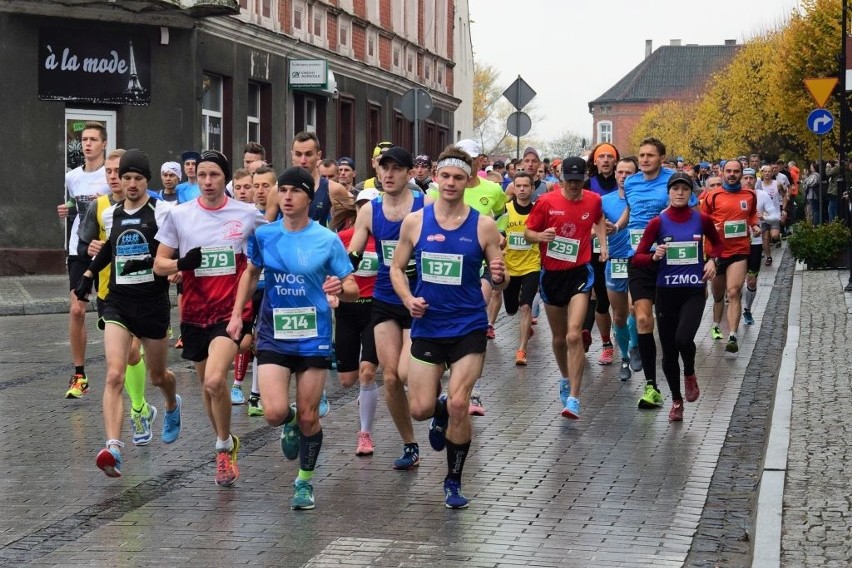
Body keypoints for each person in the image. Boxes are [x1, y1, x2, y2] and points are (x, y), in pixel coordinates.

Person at [228, 166, 358, 510]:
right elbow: (251, 273)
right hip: (273, 332)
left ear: (308, 197)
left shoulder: (326, 239)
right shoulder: (266, 235)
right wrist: (237, 314)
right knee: (272, 411)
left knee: (309, 416)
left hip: (313, 336)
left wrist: (339, 289)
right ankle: (288, 425)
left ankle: (304, 482)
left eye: (294, 191)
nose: (286, 197)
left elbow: (352, 287)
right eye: (281, 191)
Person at [390, 145, 507, 509]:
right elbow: (396, 268)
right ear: (435, 178)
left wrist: (499, 278)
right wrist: (409, 300)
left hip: (469, 325)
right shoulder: (416, 221)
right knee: (420, 409)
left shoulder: (484, 225)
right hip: (428, 325)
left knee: (460, 402)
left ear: (469, 180)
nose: (451, 183)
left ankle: (453, 481)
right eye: (445, 176)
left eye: (459, 177)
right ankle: (438, 411)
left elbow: (498, 276)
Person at [154, 150, 266, 487]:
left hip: (231, 312)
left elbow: (275, 240)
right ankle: (227, 439)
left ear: (225, 179)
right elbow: (159, 264)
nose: (207, 181)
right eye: (202, 175)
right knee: (207, 386)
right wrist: (181, 265)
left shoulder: (246, 214)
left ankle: (220, 449)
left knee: (217, 381)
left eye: (214, 175)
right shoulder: (180, 215)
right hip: (195, 312)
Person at [74, 149, 181, 477]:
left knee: (157, 376)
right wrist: (89, 275)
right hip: (118, 301)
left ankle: (173, 404)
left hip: (152, 304)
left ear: (146, 181)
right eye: (126, 178)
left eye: (138, 178)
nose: (131, 184)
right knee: (114, 374)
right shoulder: (110, 213)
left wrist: (177, 269)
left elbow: (175, 249)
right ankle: (113, 447)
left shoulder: (163, 212)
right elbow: (109, 246)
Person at [347, 146, 429, 470]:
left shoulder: (426, 207)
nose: (389, 174)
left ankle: (437, 401)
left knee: (409, 373)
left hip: (419, 298)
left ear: (410, 173)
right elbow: (353, 252)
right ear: (378, 172)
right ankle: (410, 445)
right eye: (384, 168)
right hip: (384, 297)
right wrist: (336, 272)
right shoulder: (369, 211)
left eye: (397, 169)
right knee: (391, 377)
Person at [77, 148, 157, 445]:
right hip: (110, 293)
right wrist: (91, 255)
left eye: (118, 172)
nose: (115, 178)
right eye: (110, 173)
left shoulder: (153, 210)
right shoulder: (100, 208)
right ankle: (138, 412)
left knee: (135, 354)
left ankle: (139, 408)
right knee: (121, 363)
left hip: (145, 294)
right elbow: (84, 246)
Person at [613, 137, 697, 410]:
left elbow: (692, 214)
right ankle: (651, 386)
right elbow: (631, 210)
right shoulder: (632, 182)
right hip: (638, 257)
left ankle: (682, 374)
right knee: (642, 318)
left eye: (650, 155)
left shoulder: (675, 181)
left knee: (669, 329)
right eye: (642, 155)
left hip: (669, 258)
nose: (645, 159)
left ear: (662, 157)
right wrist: (616, 227)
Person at [632, 172, 722, 421]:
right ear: (668, 193)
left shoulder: (701, 220)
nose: (680, 193)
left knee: (683, 339)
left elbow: (718, 244)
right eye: (675, 189)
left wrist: (713, 261)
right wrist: (654, 255)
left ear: (691, 193)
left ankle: (690, 373)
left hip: (693, 290)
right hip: (666, 292)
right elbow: (638, 257)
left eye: (685, 189)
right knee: (669, 351)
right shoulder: (658, 223)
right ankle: (676, 400)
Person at [525, 157, 608, 420]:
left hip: (580, 274)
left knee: (574, 335)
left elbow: (600, 219)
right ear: (561, 178)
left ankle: (574, 397)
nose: (573, 185)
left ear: (584, 178)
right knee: (560, 338)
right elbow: (528, 232)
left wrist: (603, 245)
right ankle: (564, 377)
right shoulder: (547, 202)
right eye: (569, 180)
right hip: (551, 276)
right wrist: (540, 237)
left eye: (578, 180)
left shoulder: (593, 200)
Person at [57, 121, 109, 398]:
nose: (87, 144)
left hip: (105, 250)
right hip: (79, 248)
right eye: (84, 139)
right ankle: (79, 375)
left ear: (103, 144)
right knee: (77, 310)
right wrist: (66, 208)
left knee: (108, 313)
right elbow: (75, 204)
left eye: (93, 139)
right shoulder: (72, 177)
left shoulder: (109, 175)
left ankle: (125, 366)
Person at [331, 188, 381, 455]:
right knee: (347, 380)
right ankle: (366, 395)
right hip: (347, 312)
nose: (366, 210)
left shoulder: (385, 239)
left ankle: (365, 433)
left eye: (371, 206)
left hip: (375, 310)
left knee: (367, 372)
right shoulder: (342, 239)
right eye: (362, 205)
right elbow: (328, 271)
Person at [702, 160, 760, 353]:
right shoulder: (712, 196)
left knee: (734, 291)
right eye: (729, 171)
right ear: (722, 172)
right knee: (718, 295)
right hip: (717, 252)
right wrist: (712, 227)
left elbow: (752, 215)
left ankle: (733, 335)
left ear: (741, 174)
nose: (732, 174)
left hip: (739, 250)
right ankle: (717, 325)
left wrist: (755, 225)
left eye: (736, 171)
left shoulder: (750, 195)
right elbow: (702, 219)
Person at [583, 143, 621, 362]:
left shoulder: (624, 182)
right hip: (595, 247)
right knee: (595, 293)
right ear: (595, 161)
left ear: (615, 160)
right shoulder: (589, 184)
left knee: (615, 297)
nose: (606, 160)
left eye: (610, 156)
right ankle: (593, 337)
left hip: (621, 246)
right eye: (601, 157)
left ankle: (622, 334)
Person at [602, 157, 639, 381]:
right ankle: (624, 357)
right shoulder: (604, 201)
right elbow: (594, 229)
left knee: (636, 308)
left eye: (629, 173)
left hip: (637, 260)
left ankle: (635, 347)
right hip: (614, 261)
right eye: (620, 172)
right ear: (615, 174)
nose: (624, 176)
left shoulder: (644, 199)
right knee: (618, 316)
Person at [498, 171, 540, 366]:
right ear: (513, 188)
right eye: (518, 186)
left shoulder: (538, 210)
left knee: (526, 307)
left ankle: (521, 350)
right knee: (512, 309)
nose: (522, 189)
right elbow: (496, 233)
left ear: (532, 189)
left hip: (532, 264)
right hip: (510, 266)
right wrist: (499, 242)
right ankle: (525, 327)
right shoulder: (505, 209)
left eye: (526, 186)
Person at [741, 168, 779, 325]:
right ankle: (733, 305)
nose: (748, 181)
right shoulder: (733, 196)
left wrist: (764, 217)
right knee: (735, 284)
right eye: (745, 178)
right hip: (735, 244)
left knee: (751, 281)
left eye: (751, 178)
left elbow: (775, 215)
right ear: (740, 179)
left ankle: (747, 310)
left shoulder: (762, 195)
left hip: (755, 243)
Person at [757, 165, 784, 265]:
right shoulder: (759, 185)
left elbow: (785, 196)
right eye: (765, 172)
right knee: (765, 236)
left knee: (774, 235)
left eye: (769, 171)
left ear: (772, 173)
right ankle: (769, 257)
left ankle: (777, 239)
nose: (767, 173)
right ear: (762, 173)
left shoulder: (777, 184)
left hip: (774, 215)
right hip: (764, 216)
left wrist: (784, 209)